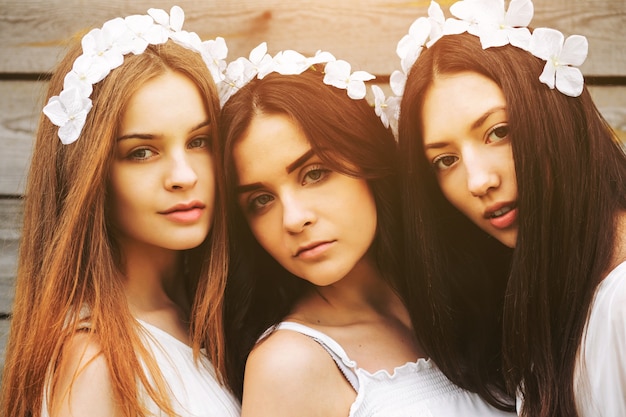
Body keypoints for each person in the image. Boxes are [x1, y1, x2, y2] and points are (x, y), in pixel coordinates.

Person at [217, 46, 515, 416]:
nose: (293, 219)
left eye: (314, 174)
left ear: (368, 156)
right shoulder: (287, 365)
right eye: (261, 200)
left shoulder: (468, 296)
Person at [0, 7, 241, 417]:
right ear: (90, 175)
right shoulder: (91, 359)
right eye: (141, 152)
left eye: (199, 142)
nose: (183, 176)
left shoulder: (209, 316)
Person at [396, 1, 626, 416]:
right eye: (445, 160)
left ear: (551, 113)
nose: (478, 181)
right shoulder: (546, 294)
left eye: (499, 131)